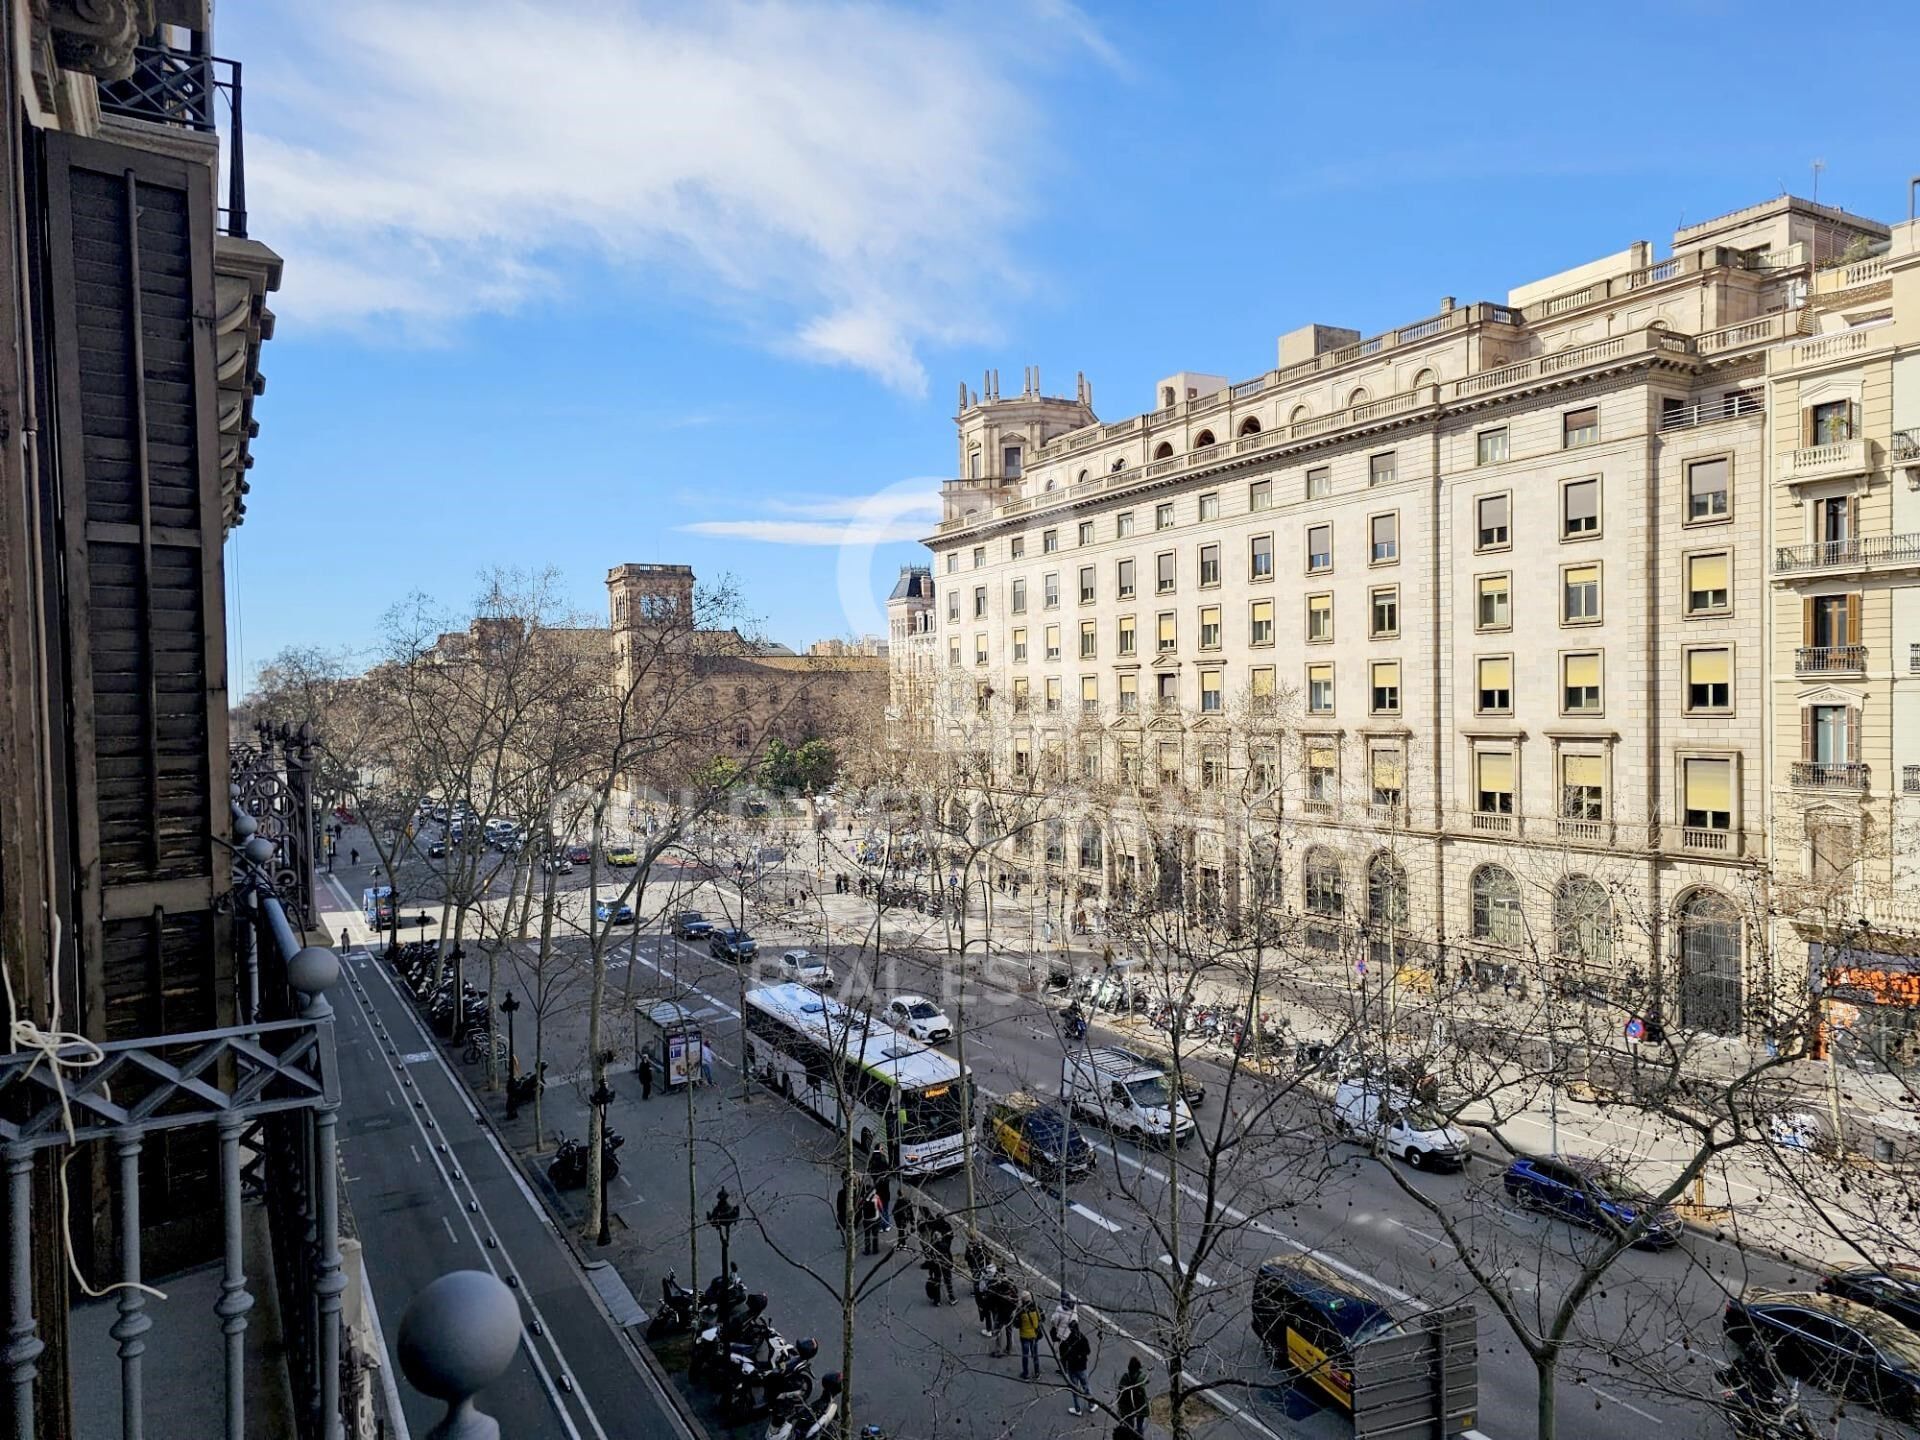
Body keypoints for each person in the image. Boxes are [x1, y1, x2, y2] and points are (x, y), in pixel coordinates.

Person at [1059, 1319, 1092, 1414]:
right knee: (1086, 1386)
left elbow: (1063, 1354)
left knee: (1074, 1388)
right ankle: (1091, 1404)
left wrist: (1064, 1367)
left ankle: (1077, 1409)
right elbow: (1088, 1351)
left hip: (1072, 1367)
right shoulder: (1083, 1338)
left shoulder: (1068, 1340)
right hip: (1082, 1367)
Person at [986, 1272, 1019, 1358]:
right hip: (1010, 1314)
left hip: (1000, 1314)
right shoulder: (1013, 1291)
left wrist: (993, 1309)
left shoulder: (999, 1292)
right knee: (1009, 1331)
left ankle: (998, 1350)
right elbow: (1016, 1302)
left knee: (997, 1332)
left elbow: (992, 1299)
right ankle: (1009, 1348)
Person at [1117, 1356, 1148, 1440]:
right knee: (1140, 1425)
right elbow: (1147, 1380)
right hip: (1140, 1406)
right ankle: (1139, 1437)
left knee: (1129, 1426)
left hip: (1127, 1406)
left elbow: (1120, 1390)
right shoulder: (1141, 1377)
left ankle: (1130, 1436)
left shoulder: (1125, 1377)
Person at [1015, 1292, 1043, 1378]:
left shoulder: (1021, 1310)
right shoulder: (1036, 1308)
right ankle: (1037, 1372)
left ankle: (1025, 1373)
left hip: (1024, 1336)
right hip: (1034, 1335)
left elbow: (1017, 1325)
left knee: (1025, 1355)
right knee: (1035, 1355)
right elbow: (1042, 1318)